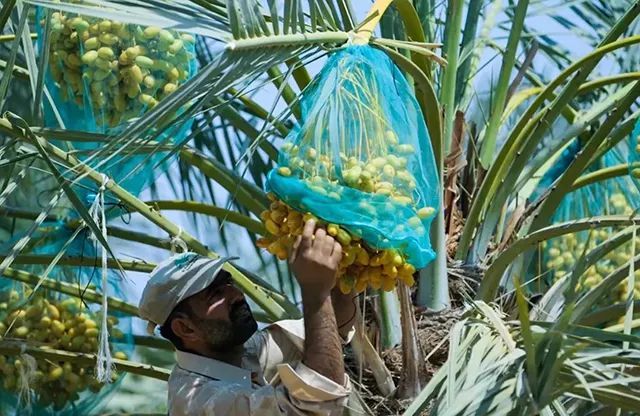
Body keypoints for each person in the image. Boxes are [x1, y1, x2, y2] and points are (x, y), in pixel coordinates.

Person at [138, 219, 358, 415]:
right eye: (215, 294)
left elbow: (331, 329)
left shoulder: (245, 351)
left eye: (228, 283)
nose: (235, 294)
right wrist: (315, 292)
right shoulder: (197, 402)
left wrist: (341, 264)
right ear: (185, 329)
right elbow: (317, 401)